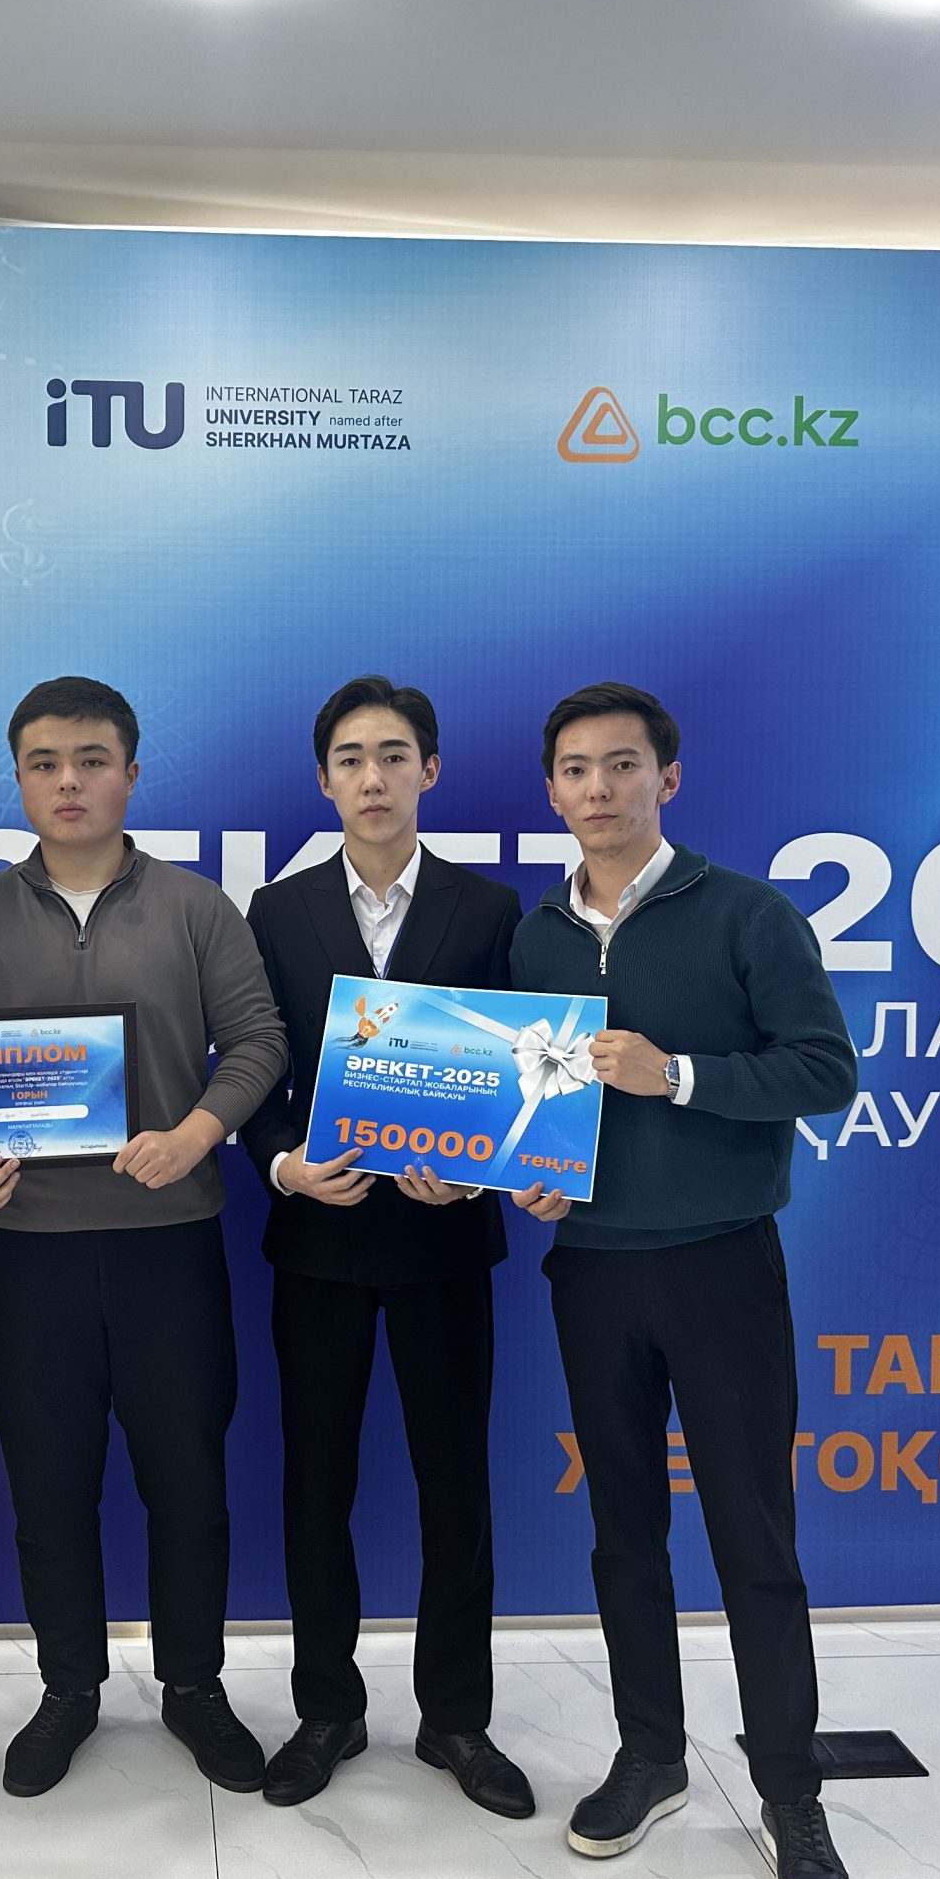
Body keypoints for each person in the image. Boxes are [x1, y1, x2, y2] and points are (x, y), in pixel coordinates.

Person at [509, 681, 858, 1879]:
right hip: (590, 1269)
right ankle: (650, 1755)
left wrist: (678, 1076)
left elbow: (824, 1071)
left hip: (720, 1265)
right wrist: (529, 1174)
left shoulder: (747, 914)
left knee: (754, 1538)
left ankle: (790, 1791)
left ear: (667, 777)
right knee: (622, 1534)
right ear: (551, 791)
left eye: (621, 765)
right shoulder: (535, 937)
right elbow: (532, 1100)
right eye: (574, 770)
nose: (597, 789)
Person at [0, 675, 289, 1799]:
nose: (68, 782)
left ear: (130, 773)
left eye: (90, 760)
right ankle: (68, 1688)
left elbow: (259, 1041)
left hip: (170, 1242)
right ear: (19, 779)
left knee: (189, 1484)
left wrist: (198, 1133)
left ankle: (194, 1686)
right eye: (44, 763)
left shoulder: (195, 908)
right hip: (29, 1251)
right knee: (49, 1486)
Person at [241, 675, 533, 1815]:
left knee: (455, 1485)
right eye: (352, 759)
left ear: (430, 771)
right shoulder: (277, 912)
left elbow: (524, 1072)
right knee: (316, 1484)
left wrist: (482, 1164)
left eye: (394, 755)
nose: (374, 777)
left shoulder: (489, 909)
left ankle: (457, 1719)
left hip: (443, 1241)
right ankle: (328, 1708)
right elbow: (252, 1068)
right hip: (318, 1237)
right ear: (325, 781)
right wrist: (282, 1163)